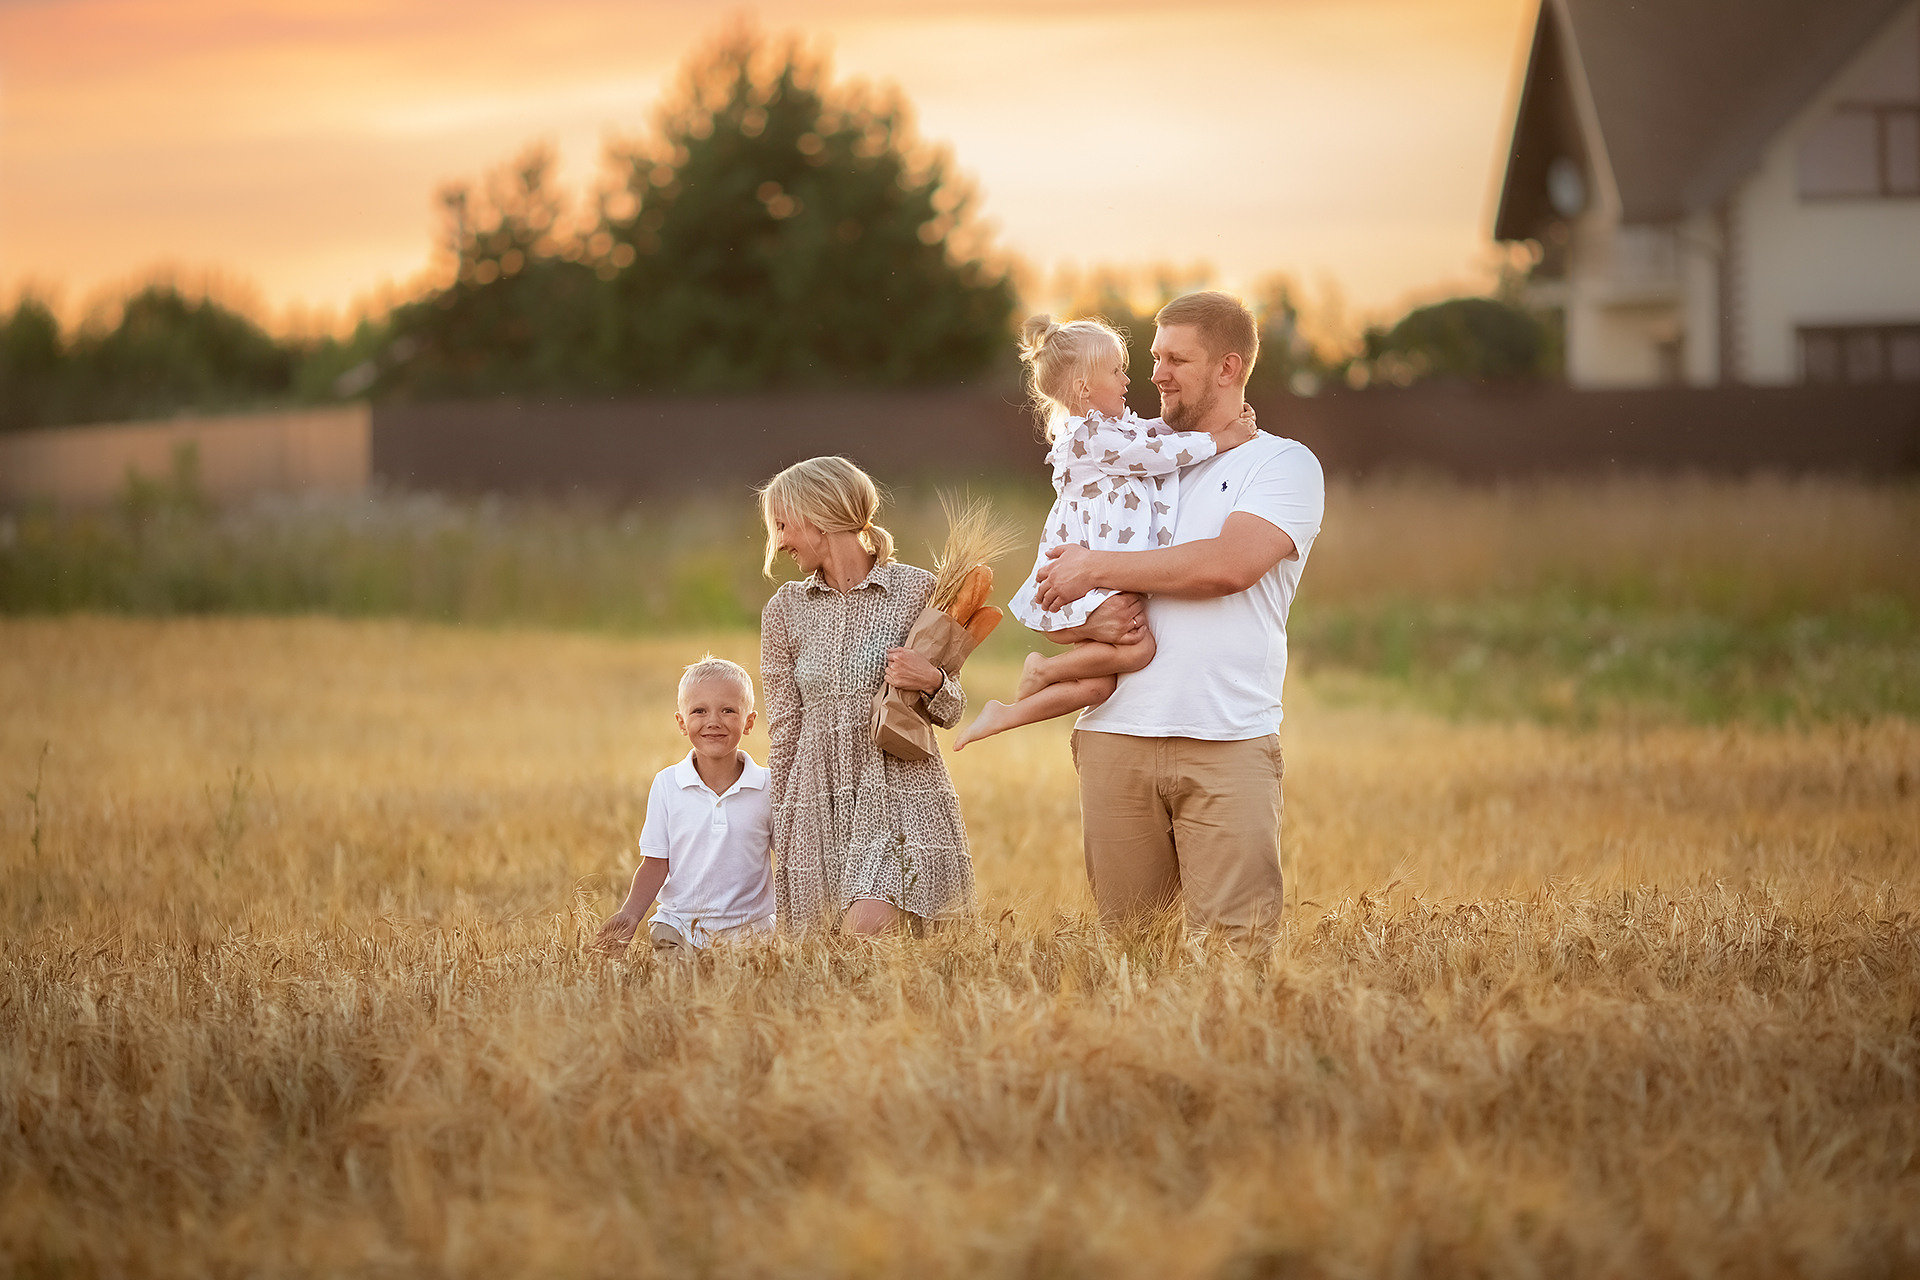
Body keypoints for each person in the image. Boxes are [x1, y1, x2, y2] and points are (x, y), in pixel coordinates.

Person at [1032, 291, 1325, 951]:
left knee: (1234, 951)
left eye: (1176, 358)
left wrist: (1098, 568)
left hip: (1225, 739)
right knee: (1131, 953)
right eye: (1154, 355)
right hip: (1113, 739)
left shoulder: (1280, 464)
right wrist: (1081, 612)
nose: (1156, 372)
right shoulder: (1122, 459)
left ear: (1228, 367)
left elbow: (1228, 566)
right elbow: (1058, 590)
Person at [954, 314, 1252, 750]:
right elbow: (1156, 452)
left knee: (1099, 687)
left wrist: (1215, 427)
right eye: (1116, 371)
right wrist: (1222, 441)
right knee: (1139, 652)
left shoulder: (1112, 429)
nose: (1129, 379)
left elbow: (1158, 431)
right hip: (1091, 571)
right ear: (1084, 389)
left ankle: (1007, 714)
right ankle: (1044, 671)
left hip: (1107, 570)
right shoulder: (1087, 437)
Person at [757, 456, 976, 933]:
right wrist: (783, 824)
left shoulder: (918, 590)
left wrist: (931, 680)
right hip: (817, 800)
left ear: (818, 517)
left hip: (901, 790)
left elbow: (953, 706)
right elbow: (784, 730)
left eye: (782, 525)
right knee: (832, 968)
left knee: (865, 929)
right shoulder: (784, 611)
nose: (779, 543)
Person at [593, 657, 776, 951]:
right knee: (677, 987)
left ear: (749, 722)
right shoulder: (667, 785)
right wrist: (629, 914)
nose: (713, 721)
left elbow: (795, 858)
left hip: (751, 932)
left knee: (749, 989)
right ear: (681, 722)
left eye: (728, 710)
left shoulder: (768, 786)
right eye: (699, 711)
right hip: (678, 927)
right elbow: (655, 863)